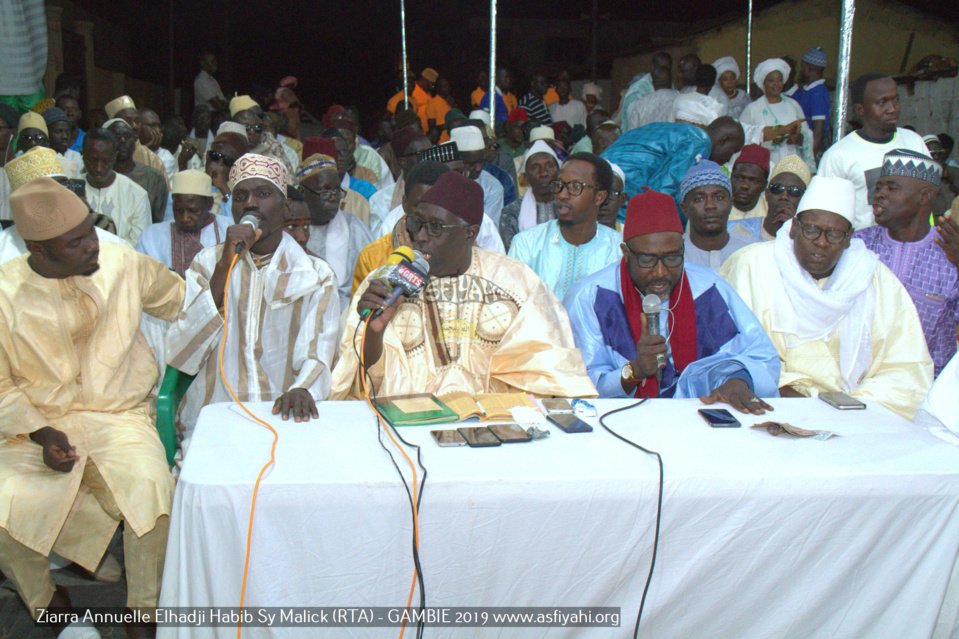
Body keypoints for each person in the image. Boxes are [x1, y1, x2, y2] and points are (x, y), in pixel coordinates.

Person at [0, 177, 184, 639]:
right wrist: (42, 434)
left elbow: (183, 302)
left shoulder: (121, 262)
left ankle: (143, 613)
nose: (93, 245)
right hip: (38, 424)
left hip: (119, 415)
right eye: (77, 241)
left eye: (92, 230)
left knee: (152, 493)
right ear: (38, 251)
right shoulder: (4, 295)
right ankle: (46, 601)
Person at [331, 170, 596, 399]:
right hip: (409, 428)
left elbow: (547, 372)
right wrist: (374, 332)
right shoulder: (387, 282)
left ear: (470, 233)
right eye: (417, 224)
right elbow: (359, 379)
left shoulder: (517, 282)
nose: (420, 237)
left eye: (434, 227)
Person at [721, 175, 933, 419]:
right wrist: (792, 396)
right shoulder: (751, 265)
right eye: (811, 230)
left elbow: (906, 369)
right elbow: (727, 351)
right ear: (793, 229)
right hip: (768, 408)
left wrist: (844, 409)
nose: (821, 242)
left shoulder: (874, 279)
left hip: (853, 417)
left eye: (834, 234)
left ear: (849, 238)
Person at [165, 154, 340, 432]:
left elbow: (317, 351)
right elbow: (182, 351)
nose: (250, 203)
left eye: (263, 193)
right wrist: (224, 265)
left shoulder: (316, 275)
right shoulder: (207, 264)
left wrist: (303, 389)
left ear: (285, 208)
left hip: (286, 414)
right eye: (240, 196)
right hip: (218, 414)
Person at [564, 186, 779, 405]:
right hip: (618, 421)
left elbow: (761, 356)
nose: (660, 272)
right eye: (647, 260)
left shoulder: (708, 288)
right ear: (626, 253)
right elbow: (575, 385)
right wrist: (635, 370)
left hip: (699, 418)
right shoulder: (590, 297)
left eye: (672, 258)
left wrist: (738, 381)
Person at [856, 149, 958, 377]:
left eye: (891, 188)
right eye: (879, 187)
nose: (878, 195)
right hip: (859, 384)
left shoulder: (950, 251)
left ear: (924, 196)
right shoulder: (858, 245)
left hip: (925, 394)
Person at [818, 73, 928, 229]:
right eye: (882, 102)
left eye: (896, 99)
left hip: (910, 246)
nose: (892, 108)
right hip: (862, 247)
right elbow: (825, 212)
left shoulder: (914, 142)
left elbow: (929, 194)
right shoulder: (838, 156)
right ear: (860, 109)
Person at [508, 153, 620, 298]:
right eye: (559, 185)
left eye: (575, 186)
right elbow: (511, 303)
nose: (562, 195)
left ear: (600, 197)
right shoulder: (526, 244)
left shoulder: (617, 250)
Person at [601, 116, 745, 221]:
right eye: (732, 152)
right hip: (624, 201)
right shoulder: (700, 140)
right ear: (725, 140)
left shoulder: (665, 127)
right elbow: (664, 196)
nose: (728, 160)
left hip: (600, 190)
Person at [351, 160, 453, 293]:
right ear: (405, 204)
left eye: (438, 205)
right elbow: (357, 312)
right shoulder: (372, 257)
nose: (430, 213)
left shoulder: (461, 253)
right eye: (420, 205)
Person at [296, 153, 374, 310]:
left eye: (337, 190)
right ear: (302, 193)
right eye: (324, 191)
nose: (333, 198)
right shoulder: (289, 231)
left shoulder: (356, 229)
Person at [135, 169, 230, 277]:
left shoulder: (228, 230)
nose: (185, 218)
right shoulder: (151, 235)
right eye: (179, 210)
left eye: (193, 211)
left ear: (209, 204)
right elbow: (141, 276)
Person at [680, 159, 759, 271]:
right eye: (699, 199)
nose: (710, 206)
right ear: (685, 208)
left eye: (719, 198)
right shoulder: (673, 256)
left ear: (731, 204)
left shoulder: (753, 251)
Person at [739, 59, 816, 171]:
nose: (776, 84)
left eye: (779, 80)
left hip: (792, 164)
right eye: (771, 80)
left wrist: (798, 138)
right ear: (763, 83)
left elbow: (806, 134)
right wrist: (771, 141)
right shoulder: (753, 109)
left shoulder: (793, 105)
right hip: (765, 165)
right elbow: (743, 138)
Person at [82, 128, 152, 245]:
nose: (99, 168)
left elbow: (140, 244)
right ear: (82, 155)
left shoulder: (136, 194)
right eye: (93, 161)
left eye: (105, 161)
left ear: (115, 157)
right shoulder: (70, 190)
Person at [728, 154, 811, 242]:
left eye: (794, 190)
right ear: (767, 194)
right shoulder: (733, 231)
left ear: (804, 199)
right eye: (777, 188)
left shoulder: (809, 240)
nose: (784, 196)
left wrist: (793, 229)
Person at [499, 140, 560, 249]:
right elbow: (511, 252)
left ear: (558, 173)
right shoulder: (512, 212)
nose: (543, 173)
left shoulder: (570, 207)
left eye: (549, 166)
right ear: (525, 177)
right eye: (536, 167)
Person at [106, 118, 169, 223]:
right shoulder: (98, 176)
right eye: (117, 137)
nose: (122, 140)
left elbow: (161, 222)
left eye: (127, 137)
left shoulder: (154, 178)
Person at [370, 128, 431, 235]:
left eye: (431, 152)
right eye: (421, 153)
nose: (429, 157)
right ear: (403, 162)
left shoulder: (445, 191)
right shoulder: (381, 200)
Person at [104, 95, 170, 187]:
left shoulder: (152, 159)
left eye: (137, 121)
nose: (134, 126)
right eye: (127, 121)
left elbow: (163, 195)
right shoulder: (102, 155)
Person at [449, 125, 507, 226]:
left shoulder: (492, 187)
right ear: (457, 162)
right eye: (471, 164)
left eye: (481, 162)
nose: (478, 168)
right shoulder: (440, 181)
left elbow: (488, 230)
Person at [794, 47, 831, 157]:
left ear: (811, 67)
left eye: (803, 66)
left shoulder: (817, 93)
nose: (801, 70)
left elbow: (818, 131)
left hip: (813, 149)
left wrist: (809, 159)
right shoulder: (809, 90)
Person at [626, 66, 678, 131]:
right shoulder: (680, 99)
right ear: (671, 80)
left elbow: (632, 133)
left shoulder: (639, 104)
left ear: (652, 82)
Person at [728, 144, 771, 220]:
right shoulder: (716, 208)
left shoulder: (770, 214)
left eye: (754, 181)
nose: (745, 186)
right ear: (731, 178)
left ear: (764, 185)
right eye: (739, 178)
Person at [599, 162, 628, 230]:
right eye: (599, 193)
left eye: (611, 193)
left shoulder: (628, 237)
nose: (605, 201)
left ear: (623, 199)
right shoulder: (572, 235)